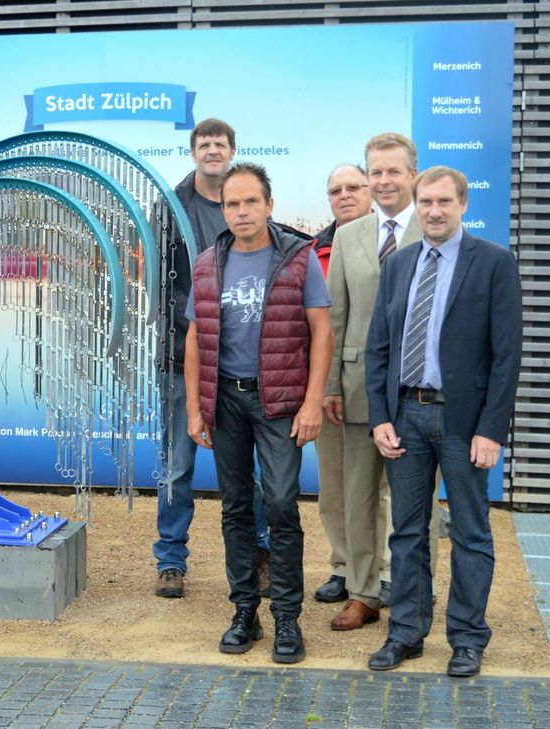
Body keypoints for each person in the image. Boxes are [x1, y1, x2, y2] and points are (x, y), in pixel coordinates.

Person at [365, 166, 521, 678]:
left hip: (464, 420)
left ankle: (468, 640)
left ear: (462, 206)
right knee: (407, 533)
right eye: (426, 202)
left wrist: (492, 429)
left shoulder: (495, 263)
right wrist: (380, 417)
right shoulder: (399, 263)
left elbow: (507, 356)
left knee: (471, 533)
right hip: (404, 416)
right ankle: (406, 633)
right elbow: (379, 347)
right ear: (417, 203)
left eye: (444, 203)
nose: (433, 211)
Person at [185, 162, 332, 663]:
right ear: (222, 209)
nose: (241, 211)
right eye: (232, 203)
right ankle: (244, 608)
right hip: (225, 400)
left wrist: (312, 402)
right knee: (234, 507)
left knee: (283, 504)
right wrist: (194, 408)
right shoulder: (207, 263)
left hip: (279, 402)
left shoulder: (298, 258)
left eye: (251, 202)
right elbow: (194, 338)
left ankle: (287, 617)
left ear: (270, 205)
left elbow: (322, 332)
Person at [156, 118, 271, 600]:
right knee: (177, 464)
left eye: (219, 144)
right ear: (193, 152)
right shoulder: (170, 205)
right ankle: (170, 560)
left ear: (232, 150)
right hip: (185, 354)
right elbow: (159, 280)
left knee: (256, 468)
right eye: (203, 144)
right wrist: (172, 346)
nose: (211, 151)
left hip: (244, 361)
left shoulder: (248, 210)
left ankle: (261, 555)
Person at [313, 161, 398, 631]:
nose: (343, 195)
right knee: (335, 485)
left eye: (353, 187)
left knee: (377, 490)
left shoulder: (398, 239)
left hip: (382, 383)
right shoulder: (316, 247)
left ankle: (381, 573)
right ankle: (344, 568)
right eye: (334, 190)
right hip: (333, 381)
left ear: (372, 191)